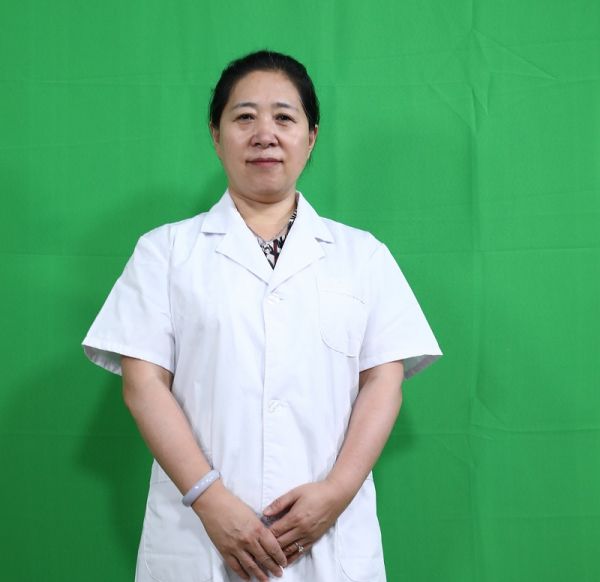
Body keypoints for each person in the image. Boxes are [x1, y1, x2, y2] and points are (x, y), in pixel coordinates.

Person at [83, 50, 442, 582]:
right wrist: (209, 499)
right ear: (216, 134)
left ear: (311, 136)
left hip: (329, 541)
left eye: (284, 118)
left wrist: (336, 492)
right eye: (245, 117)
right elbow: (143, 385)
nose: (264, 134)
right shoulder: (165, 252)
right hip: (198, 536)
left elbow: (383, 382)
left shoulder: (362, 256)